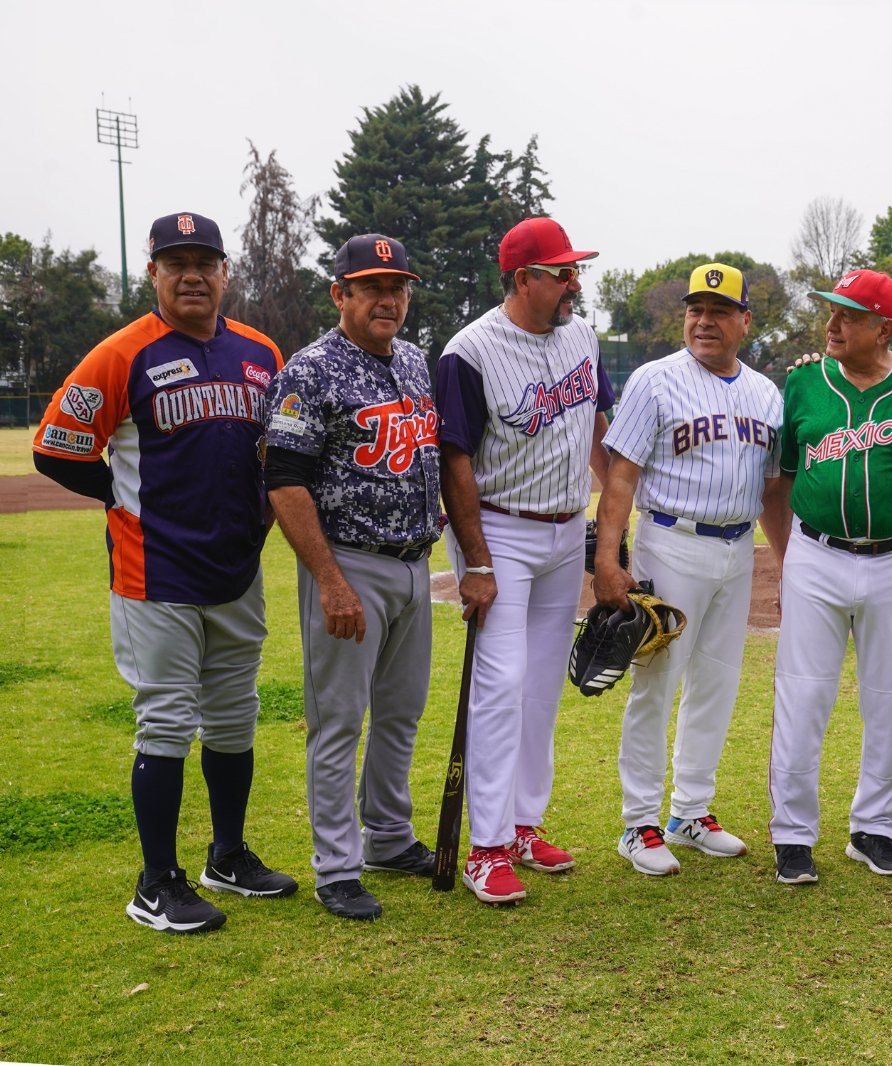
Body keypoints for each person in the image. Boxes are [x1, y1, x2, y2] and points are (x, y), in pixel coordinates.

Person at [33, 211, 296, 933]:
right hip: (156, 574)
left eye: (205, 262)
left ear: (224, 273)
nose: (191, 275)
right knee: (167, 722)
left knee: (235, 718)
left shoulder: (260, 352)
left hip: (236, 569)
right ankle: (156, 882)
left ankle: (228, 854)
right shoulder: (120, 354)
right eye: (175, 262)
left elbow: (277, 451)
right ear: (152, 273)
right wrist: (120, 500)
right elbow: (55, 449)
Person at [435, 217, 613, 904]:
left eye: (575, 270)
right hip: (501, 532)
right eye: (561, 272)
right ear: (522, 280)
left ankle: (521, 825)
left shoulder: (582, 337)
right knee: (502, 682)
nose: (573, 282)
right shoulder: (469, 352)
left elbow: (596, 428)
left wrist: (609, 534)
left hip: (566, 528)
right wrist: (474, 561)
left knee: (540, 685)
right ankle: (484, 847)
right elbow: (455, 460)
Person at [767, 268, 892, 884]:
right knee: (802, 696)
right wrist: (790, 555)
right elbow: (783, 480)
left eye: (846, 315)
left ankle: (873, 830)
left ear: (884, 328)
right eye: (831, 312)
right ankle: (793, 837)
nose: (831, 324)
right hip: (815, 555)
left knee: (887, 700)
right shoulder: (802, 382)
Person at [265, 234, 441, 921]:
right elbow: (283, 480)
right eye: (371, 286)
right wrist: (330, 581)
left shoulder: (418, 364)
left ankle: (389, 838)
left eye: (397, 286)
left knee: (400, 714)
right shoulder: (309, 371)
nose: (388, 298)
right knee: (339, 721)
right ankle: (337, 867)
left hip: (416, 564)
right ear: (339, 294)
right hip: (350, 565)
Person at [593, 263, 786, 875]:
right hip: (670, 541)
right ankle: (639, 823)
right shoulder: (654, 381)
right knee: (656, 683)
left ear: (745, 322)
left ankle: (690, 813)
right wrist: (607, 557)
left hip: (736, 548)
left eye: (720, 311)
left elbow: (774, 486)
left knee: (717, 684)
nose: (704, 321)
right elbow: (620, 475)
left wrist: (783, 561)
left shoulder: (766, 393)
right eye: (695, 310)